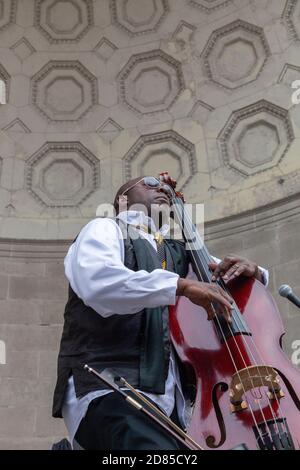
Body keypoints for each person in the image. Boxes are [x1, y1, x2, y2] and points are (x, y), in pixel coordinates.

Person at [52, 175, 269, 450]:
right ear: (122, 199)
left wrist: (255, 273)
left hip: (173, 409)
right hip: (110, 387)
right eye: (150, 183)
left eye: (164, 187)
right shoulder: (105, 228)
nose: (162, 189)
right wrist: (181, 286)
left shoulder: (178, 252)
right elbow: (98, 281)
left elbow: (228, 282)